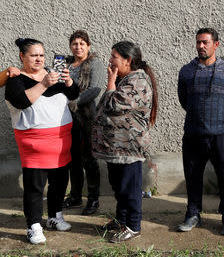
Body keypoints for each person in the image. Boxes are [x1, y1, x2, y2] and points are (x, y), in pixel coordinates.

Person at [5, 38, 79, 244]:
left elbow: (73, 94)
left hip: (61, 139)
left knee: (60, 182)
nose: (39, 59)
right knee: (35, 186)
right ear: (22, 56)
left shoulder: (51, 72)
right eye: (33, 55)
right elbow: (20, 101)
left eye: (41, 55)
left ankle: (55, 217)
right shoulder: (16, 79)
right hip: (34, 143)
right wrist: (44, 84)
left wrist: (69, 81)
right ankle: (34, 226)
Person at [177, 28, 224, 236]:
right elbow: (184, 100)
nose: (201, 46)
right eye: (198, 42)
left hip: (221, 134)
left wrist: (221, 117)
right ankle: (193, 214)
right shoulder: (186, 71)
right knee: (192, 177)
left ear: (216, 44)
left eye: (205, 42)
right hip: (193, 134)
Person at [92, 41, 158, 243]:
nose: (110, 60)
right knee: (119, 187)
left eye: (114, 57)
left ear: (128, 60)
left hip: (128, 148)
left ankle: (133, 225)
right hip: (116, 148)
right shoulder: (125, 79)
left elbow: (113, 104)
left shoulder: (137, 81)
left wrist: (110, 83)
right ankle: (121, 220)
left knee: (130, 189)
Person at [63, 30, 106, 215]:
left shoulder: (95, 63)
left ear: (88, 46)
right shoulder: (65, 64)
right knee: (72, 159)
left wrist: (75, 101)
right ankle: (75, 197)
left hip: (87, 118)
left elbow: (95, 90)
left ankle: (93, 199)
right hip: (66, 118)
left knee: (89, 159)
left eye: (82, 43)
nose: (78, 47)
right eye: (74, 43)